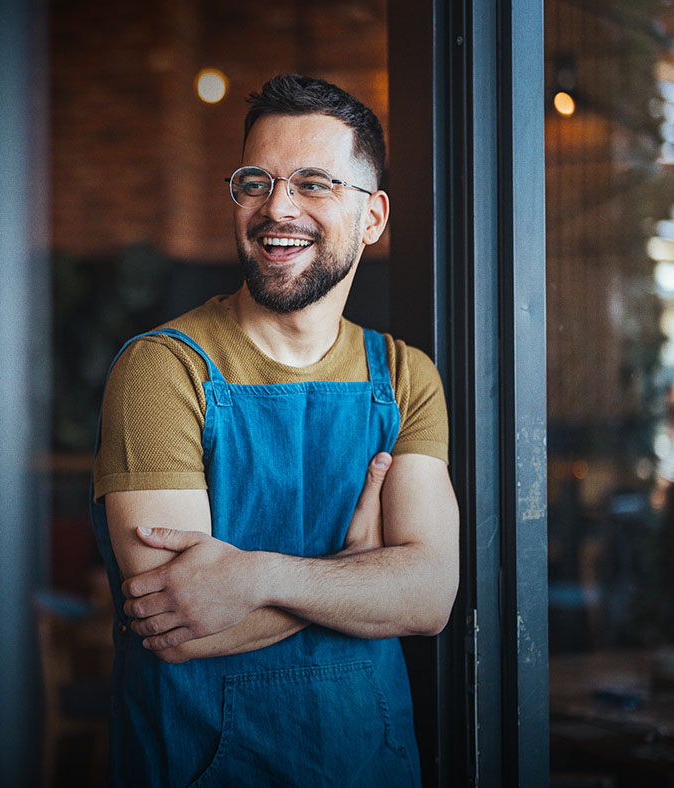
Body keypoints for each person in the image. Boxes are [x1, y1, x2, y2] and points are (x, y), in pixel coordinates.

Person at [90, 74, 459, 787]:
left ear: (373, 216)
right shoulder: (162, 370)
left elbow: (430, 597)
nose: (276, 208)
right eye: (255, 181)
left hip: (372, 763)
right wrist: (359, 577)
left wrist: (254, 577)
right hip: (199, 767)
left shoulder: (407, 376)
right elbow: (177, 622)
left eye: (314, 183)